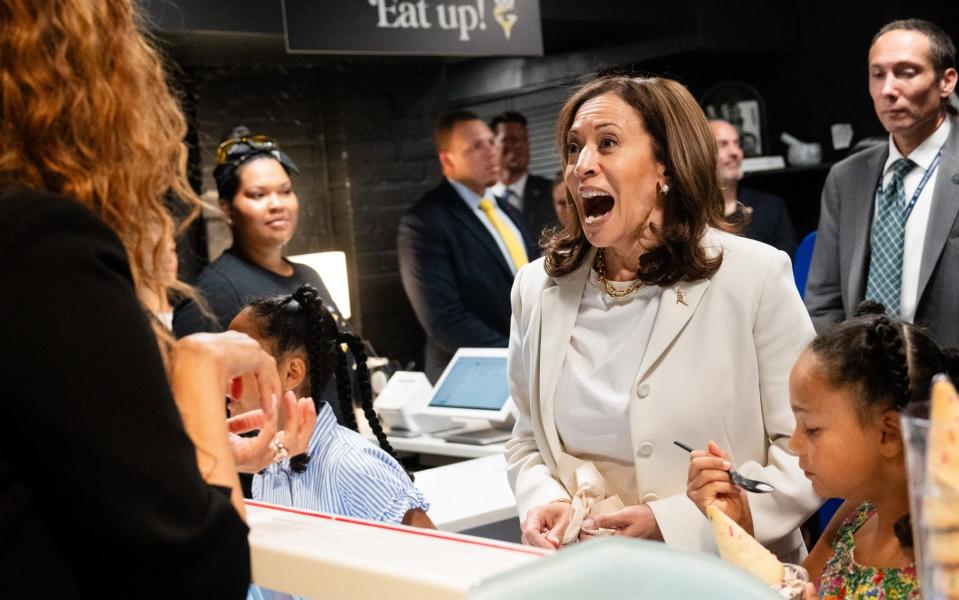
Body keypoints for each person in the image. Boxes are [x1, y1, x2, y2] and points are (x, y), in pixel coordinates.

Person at [0, 0, 317, 595]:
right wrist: (199, 361)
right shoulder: (36, 242)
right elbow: (199, 565)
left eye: (283, 190)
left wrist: (176, 455)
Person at [506, 75, 819, 560]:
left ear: (665, 166)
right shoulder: (536, 289)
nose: (582, 166)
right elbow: (527, 440)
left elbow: (806, 450)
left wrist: (674, 523)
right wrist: (542, 498)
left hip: (728, 570)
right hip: (590, 573)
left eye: (607, 143)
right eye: (573, 149)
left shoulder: (753, 276)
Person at [687, 301, 959, 598]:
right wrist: (739, 526)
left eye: (812, 429)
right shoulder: (859, 511)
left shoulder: (947, 554)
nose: (794, 444)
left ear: (888, 434)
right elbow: (794, 590)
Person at [805, 19, 959, 348]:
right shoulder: (846, 178)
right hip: (868, 385)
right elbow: (824, 300)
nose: (888, 89)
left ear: (947, 81)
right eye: (878, 74)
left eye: (906, 72)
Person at [229, 285, 434, 527]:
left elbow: (441, 558)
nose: (225, 378)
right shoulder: (267, 470)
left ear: (291, 373)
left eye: (238, 361)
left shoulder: (356, 467)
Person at [398, 110, 537, 382]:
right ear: (447, 160)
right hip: (473, 375)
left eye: (491, 141)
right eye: (476, 146)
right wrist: (518, 356)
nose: (491, 152)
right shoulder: (424, 222)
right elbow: (445, 320)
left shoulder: (506, 209)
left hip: (529, 367)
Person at [173, 127, 343, 337]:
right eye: (257, 195)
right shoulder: (214, 294)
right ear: (226, 208)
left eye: (285, 191)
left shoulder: (308, 275)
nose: (276, 204)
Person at [709, 119, 797, 255]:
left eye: (737, 143)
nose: (735, 152)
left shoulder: (770, 207)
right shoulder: (692, 213)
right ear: (702, 154)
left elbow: (785, 265)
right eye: (723, 144)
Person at [490, 111, 557, 237]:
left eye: (523, 139)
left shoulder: (551, 192)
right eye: (510, 140)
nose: (519, 145)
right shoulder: (480, 198)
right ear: (492, 145)